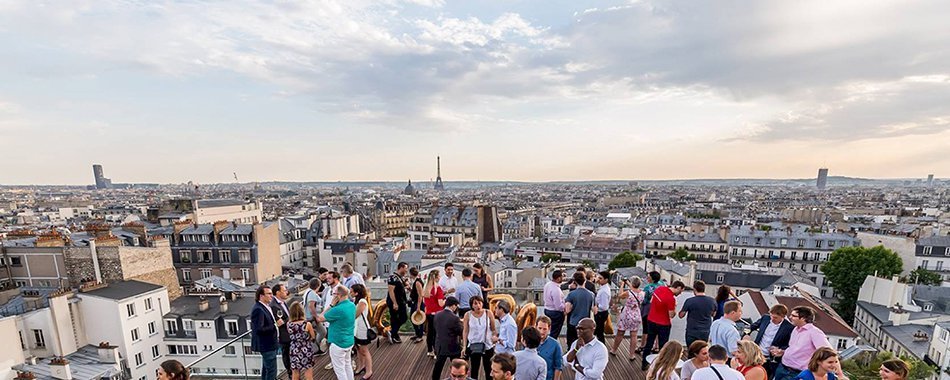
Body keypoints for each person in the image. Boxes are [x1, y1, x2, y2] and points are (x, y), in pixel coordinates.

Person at [772, 306, 832, 380]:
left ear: (803, 318)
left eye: (794, 316)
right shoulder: (795, 329)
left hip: (796, 372)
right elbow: (794, 348)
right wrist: (783, 352)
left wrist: (838, 373)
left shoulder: (815, 332)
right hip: (782, 367)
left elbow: (828, 353)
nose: (790, 317)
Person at [641, 280, 686, 371]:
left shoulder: (659, 289)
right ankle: (660, 367)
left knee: (649, 343)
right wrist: (675, 308)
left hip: (651, 320)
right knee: (663, 346)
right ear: (678, 288)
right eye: (680, 291)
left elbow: (652, 301)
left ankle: (644, 364)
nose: (680, 294)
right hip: (663, 324)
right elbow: (671, 315)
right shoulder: (671, 299)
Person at [316, 284, 357, 380]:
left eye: (333, 294)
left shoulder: (337, 309)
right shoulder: (352, 305)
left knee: (340, 370)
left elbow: (320, 318)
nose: (332, 296)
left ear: (338, 296)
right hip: (349, 341)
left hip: (338, 342)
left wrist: (331, 305)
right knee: (347, 365)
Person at [748, 304, 793, 378]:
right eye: (771, 315)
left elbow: (789, 344)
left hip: (771, 360)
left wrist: (780, 350)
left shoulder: (789, 327)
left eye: (775, 317)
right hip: (756, 355)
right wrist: (747, 334)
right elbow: (751, 327)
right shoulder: (765, 318)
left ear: (783, 317)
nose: (772, 319)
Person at [462, 295, 497, 380]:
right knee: (474, 369)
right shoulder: (468, 315)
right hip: (474, 345)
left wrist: (494, 338)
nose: (478, 305)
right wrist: (464, 346)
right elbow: (465, 331)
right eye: (475, 303)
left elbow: (493, 328)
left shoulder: (488, 313)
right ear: (471, 305)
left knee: (488, 369)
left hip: (487, 344)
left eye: (479, 303)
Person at [251, 285, 281, 380]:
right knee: (272, 370)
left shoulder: (266, 307)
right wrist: (275, 325)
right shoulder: (258, 309)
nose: (271, 296)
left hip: (271, 343)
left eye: (271, 294)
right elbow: (259, 329)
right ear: (261, 296)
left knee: (266, 369)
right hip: (266, 344)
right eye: (268, 294)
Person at [612, 276, 644, 360]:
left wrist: (622, 285)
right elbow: (634, 289)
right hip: (636, 314)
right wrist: (629, 283)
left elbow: (620, 295)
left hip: (627, 314)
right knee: (634, 335)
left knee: (620, 332)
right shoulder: (642, 293)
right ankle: (631, 355)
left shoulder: (628, 293)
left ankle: (614, 350)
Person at [433, 297, 464, 380]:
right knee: (457, 366)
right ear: (453, 306)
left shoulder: (437, 314)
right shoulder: (454, 318)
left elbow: (435, 328)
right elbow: (460, 331)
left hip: (440, 345)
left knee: (438, 367)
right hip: (452, 346)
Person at [679, 280, 717, 347]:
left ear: (694, 289)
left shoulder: (690, 301)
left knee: (691, 350)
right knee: (702, 350)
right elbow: (713, 314)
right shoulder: (712, 301)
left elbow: (681, 315)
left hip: (692, 331)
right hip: (705, 331)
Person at [564, 272, 595, 348]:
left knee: (571, 343)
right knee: (583, 343)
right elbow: (593, 309)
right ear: (585, 281)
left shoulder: (571, 294)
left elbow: (567, 310)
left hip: (573, 322)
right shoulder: (591, 294)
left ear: (575, 281)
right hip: (585, 323)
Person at [287, 302, 316, 380]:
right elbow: (313, 337)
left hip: (294, 349)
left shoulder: (289, 324)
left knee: (295, 372)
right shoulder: (307, 324)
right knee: (308, 371)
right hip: (306, 348)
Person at [352, 284, 374, 380]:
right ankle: (361, 366)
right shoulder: (356, 300)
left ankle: (369, 371)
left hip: (362, 329)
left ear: (356, 293)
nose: (350, 293)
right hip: (357, 328)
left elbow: (356, 314)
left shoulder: (362, 301)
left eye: (352, 291)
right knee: (358, 349)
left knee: (364, 350)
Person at [639, 272, 665, 354]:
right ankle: (656, 347)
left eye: (648, 277)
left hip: (648, 309)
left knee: (646, 329)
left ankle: (643, 345)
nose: (647, 278)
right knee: (657, 328)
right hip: (660, 309)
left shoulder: (648, 288)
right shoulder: (662, 284)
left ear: (652, 279)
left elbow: (644, 300)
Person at [424, 269, 447, 357]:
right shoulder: (438, 289)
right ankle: (437, 351)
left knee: (430, 333)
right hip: (438, 313)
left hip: (429, 313)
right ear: (437, 277)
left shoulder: (426, 289)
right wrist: (445, 300)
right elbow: (440, 303)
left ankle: (430, 350)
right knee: (437, 334)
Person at [270, 283, 292, 373]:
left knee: (290, 353)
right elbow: (280, 322)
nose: (287, 292)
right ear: (278, 292)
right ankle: (290, 372)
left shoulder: (282, 302)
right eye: (284, 291)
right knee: (286, 353)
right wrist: (292, 318)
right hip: (284, 335)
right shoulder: (274, 305)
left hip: (289, 332)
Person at [304, 278, 328, 357]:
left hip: (309, 317)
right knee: (322, 331)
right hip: (312, 318)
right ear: (318, 285)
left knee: (318, 332)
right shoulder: (312, 294)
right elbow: (311, 306)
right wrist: (316, 317)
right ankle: (316, 348)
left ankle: (316, 348)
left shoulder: (308, 291)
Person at [387, 262, 410, 344]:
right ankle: (393, 333)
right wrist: (394, 303)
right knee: (396, 318)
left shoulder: (400, 278)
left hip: (401, 301)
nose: (406, 270)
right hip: (396, 302)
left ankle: (393, 332)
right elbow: (391, 291)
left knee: (401, 318)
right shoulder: (393, 278)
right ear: (401, 268)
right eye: (406, 268)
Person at [536, 316, 563, 380]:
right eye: (539, 328)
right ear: (535, 327)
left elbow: (558, 367)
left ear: (549, 328)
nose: (542, 332)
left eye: (544, 329)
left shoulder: (555, 345)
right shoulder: (529, 341)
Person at [543, 270, 566, 340]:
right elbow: (558, 306)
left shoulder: (548, 284)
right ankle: (551, 346)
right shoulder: (556, 290)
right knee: (554, 333)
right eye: (562, 276)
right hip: (555, 313)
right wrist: (566, 306)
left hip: (547, 309)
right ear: (558, 278)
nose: (563, 278)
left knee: (549, 331)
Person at [409, 267, 427, 343]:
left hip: (417, 303)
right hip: (416, 302)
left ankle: (419, 335)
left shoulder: (417, 282)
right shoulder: (417, 281)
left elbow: (420, 295)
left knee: (417, 319)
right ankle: (418, 334)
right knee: (414, 319)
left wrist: (418, 307)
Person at [593, 271, 612, 343]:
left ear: (606, 280)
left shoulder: (604, 291)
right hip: (602, 313)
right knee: (599, 331)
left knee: (599, 333)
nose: (598, 279)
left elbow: (604, 306)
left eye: (601, 278)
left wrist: (596, 306)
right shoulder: (604, 287)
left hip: (601, 313)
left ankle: (601, 346)